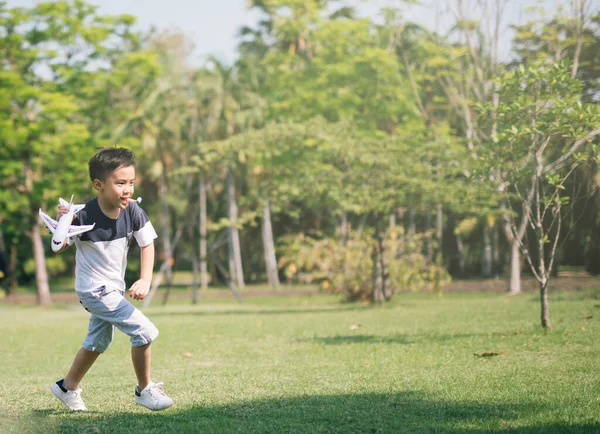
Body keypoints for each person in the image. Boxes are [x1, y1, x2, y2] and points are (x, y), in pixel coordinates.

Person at [50, 147, 174, 412]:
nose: (127, 189)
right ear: (99, 185)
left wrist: (145, 279)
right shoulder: (81, 215)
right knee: (144, 331)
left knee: (98, 341)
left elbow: (147, 243)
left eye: (131, 182)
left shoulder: (133, 212)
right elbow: (58, 246)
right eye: (120, 183)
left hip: (112, 291)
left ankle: (67, 387)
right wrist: (62, 224)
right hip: (93, 290)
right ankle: (144, 390)